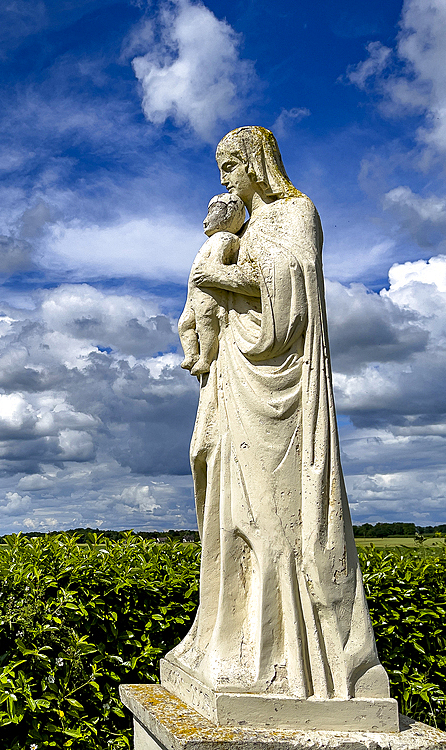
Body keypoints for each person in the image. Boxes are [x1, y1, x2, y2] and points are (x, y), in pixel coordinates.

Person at [166, 127, 391, 704]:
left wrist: (220, 275)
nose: (224, 179)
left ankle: (287, 657)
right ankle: (227, 637)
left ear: (254, 163)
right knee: (224, 498)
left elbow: (294, 289)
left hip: (279, 385)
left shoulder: (295, 212)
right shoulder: (245, 225)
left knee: (271, 516)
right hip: (232, 374)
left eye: (229, 166)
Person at [178, 192, 245, 376]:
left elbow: (215, 265)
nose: (206, 220)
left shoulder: (225, 239)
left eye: (214, 212)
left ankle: (206, 359)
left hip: (207, 293)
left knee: (205, 324)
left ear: (229, 214)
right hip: (193, 293)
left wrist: (209, 273)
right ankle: (191, 355)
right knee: (184, 324)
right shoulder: (212, 240)